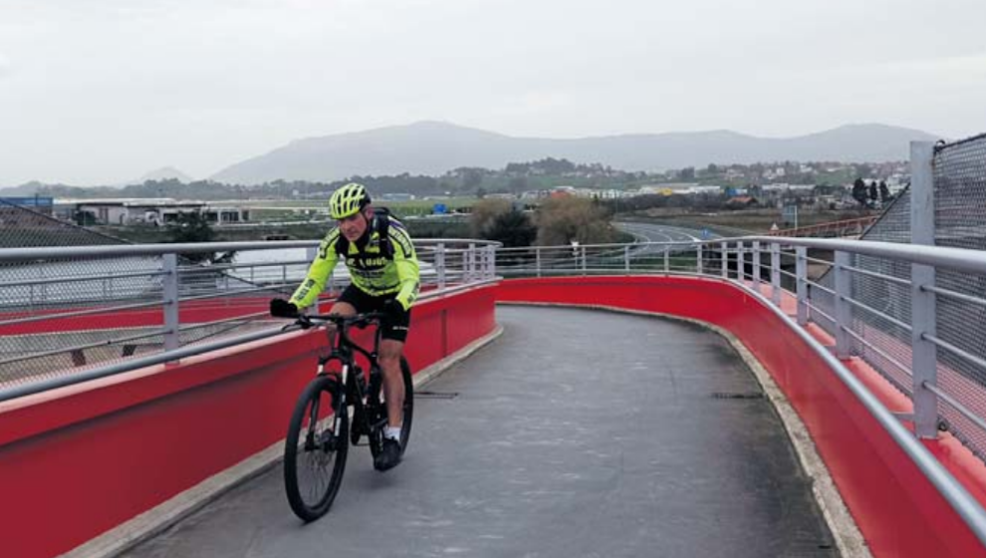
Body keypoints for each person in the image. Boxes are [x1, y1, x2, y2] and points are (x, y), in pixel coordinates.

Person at [270, 182, 419, 471]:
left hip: (395, 295)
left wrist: (400, 303)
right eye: (341, 220)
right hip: (362, 289)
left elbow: (412, 278)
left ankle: (392, 434)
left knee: (388, 358)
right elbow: (316, 277)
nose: (347, 226)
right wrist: (294, 305)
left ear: (368, 212)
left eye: (352, 218)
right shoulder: (335, 240)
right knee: (333, 322)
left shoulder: (392, 233)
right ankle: (353, 377)